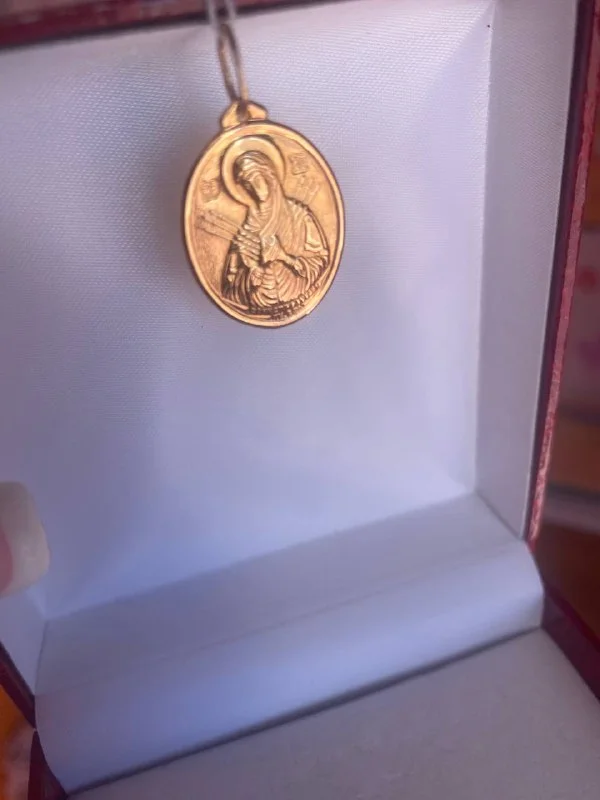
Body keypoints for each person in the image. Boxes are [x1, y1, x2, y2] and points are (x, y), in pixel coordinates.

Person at [222, 150, 329, 315]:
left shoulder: (299, 216)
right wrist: (252, 273)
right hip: (259, 303)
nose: (252, 186)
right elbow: (229, 285)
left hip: (296, 292)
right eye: (246, 182)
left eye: (254, 177)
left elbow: (322, 261)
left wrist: (285, 258)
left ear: (269, 175)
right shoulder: (247, 229)